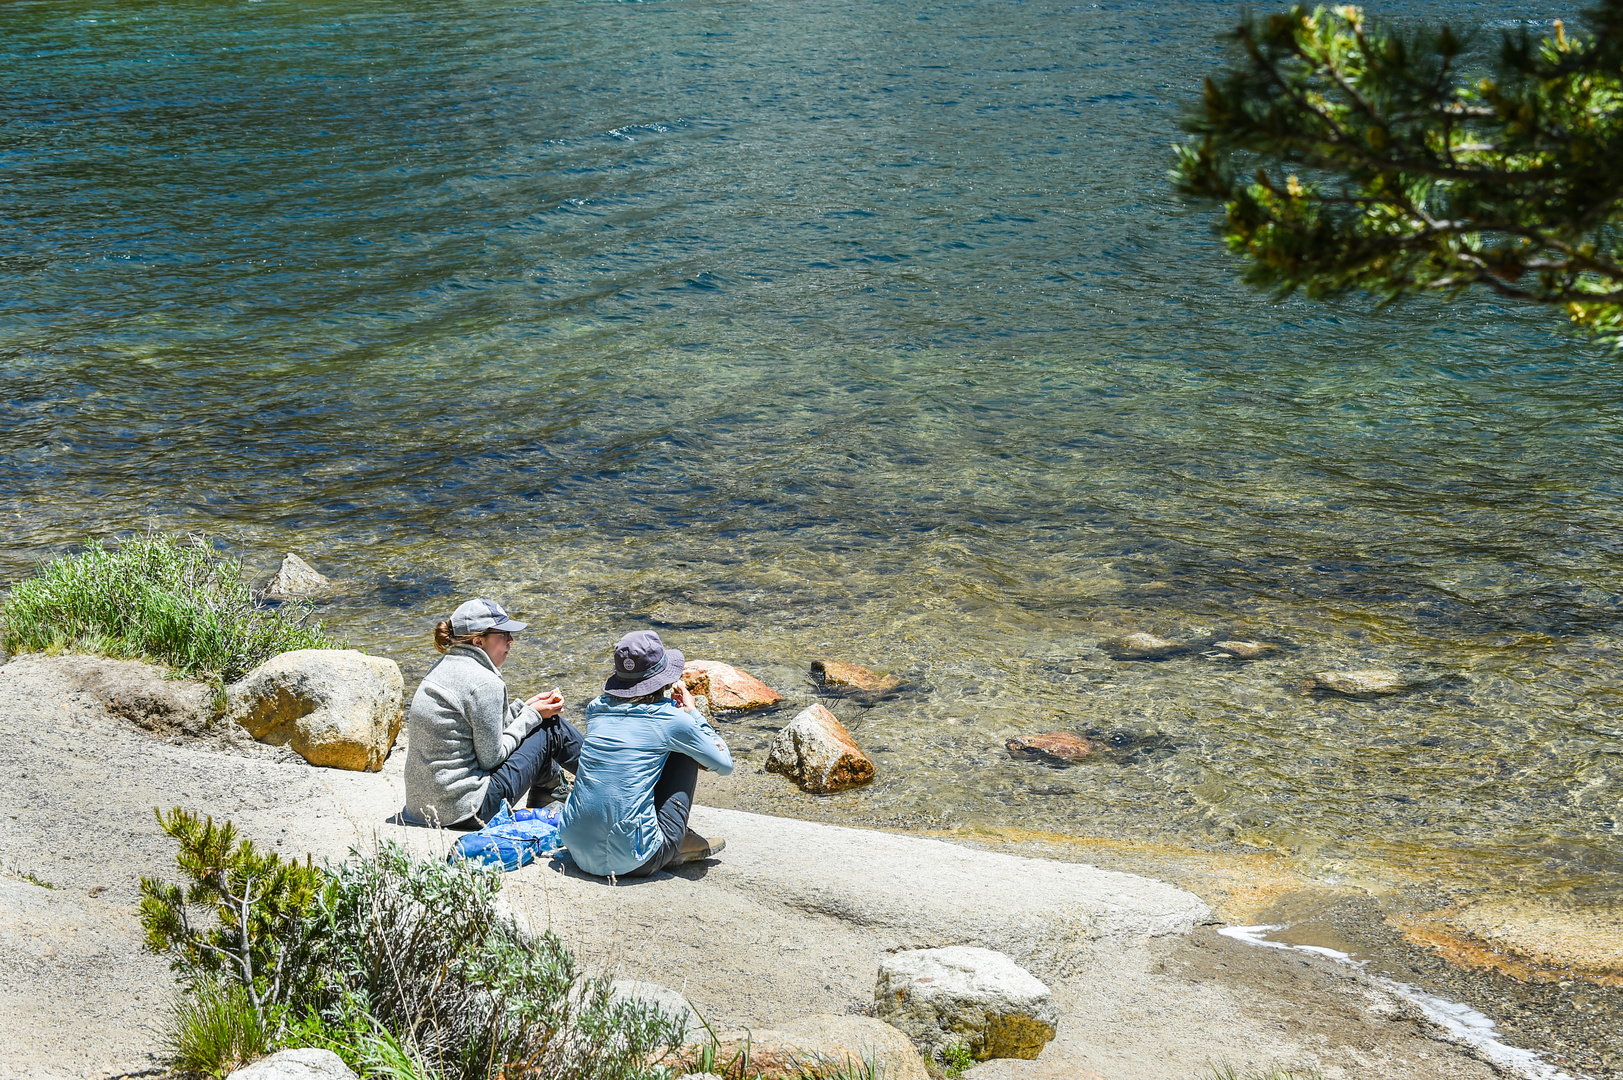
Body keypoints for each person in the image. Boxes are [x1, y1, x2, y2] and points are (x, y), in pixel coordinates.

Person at [558, 630, 732, 878]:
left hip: (577, 848)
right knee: (684, 751)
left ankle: (655, 832)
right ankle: (677, 841)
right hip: (635, 859)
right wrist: (692, 715)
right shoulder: (672, 720)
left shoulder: (595, 709)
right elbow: (725, 764)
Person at [402, 598, 583, 829]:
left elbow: (477, 731)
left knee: (536, 722)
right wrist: (531, 716)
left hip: (422, 809)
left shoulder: (440, 668)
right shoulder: (486, 683)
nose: (511, 641)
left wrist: (522, 709)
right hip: (469, 811)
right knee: (552, 729)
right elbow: (491, 758)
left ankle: (550, 794)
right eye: (504, 635)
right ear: (478, 641)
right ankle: (612, 781)